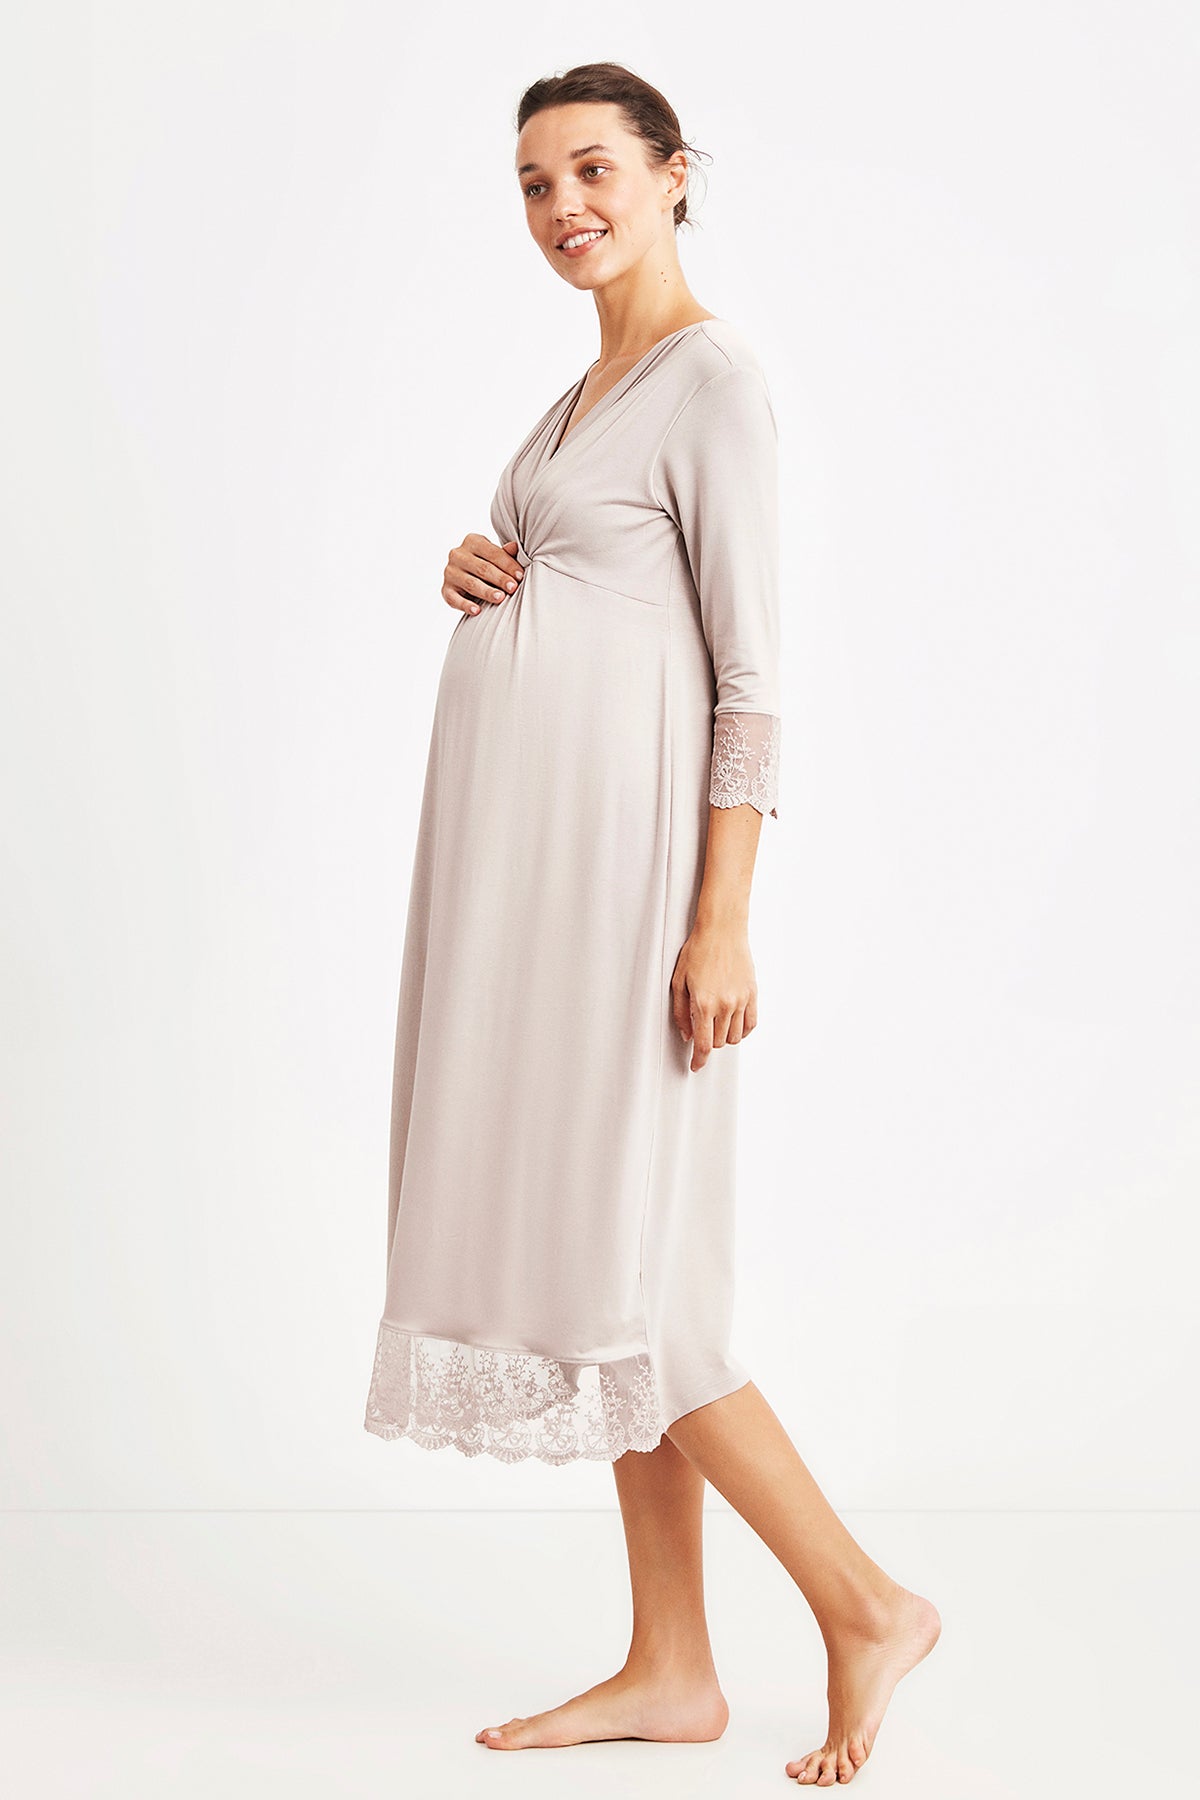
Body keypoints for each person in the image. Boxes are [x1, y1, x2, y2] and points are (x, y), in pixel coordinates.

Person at [363, 61, 940, 1787]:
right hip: (533, 895)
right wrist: (481, 564)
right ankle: (674, 1666)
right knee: (625, 1288)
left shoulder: (712, 382)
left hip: (635, 901)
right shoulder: (577, 397)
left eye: (595, 170)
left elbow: (750, 682)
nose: (565, 208)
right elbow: (593, 589)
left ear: (676, 174)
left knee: (648, 1293)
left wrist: (723, 920)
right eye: (535, 184)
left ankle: (865, 1606)